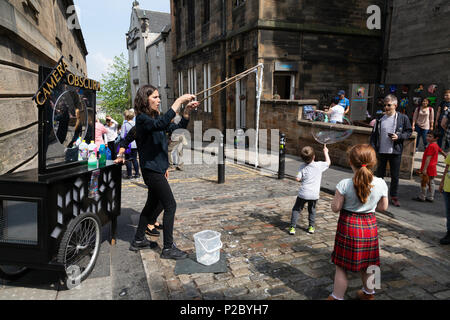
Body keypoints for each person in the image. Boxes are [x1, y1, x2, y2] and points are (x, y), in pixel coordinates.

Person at [115, 85, 199, 259]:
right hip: (151, 170)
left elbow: (174, 129)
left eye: (159, 97)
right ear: (145, 100)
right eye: (155, 97)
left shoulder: (156, 118)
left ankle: (138, 239)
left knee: (155, 204)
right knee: (170, 205)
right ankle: (168, 248)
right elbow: (158, 125)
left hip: (157, 169)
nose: (159, 100)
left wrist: (186, 113)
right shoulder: (143, 120)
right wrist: (178, 101)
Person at [327, 144, 388, 300]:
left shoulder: (344, 184)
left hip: (348, 226)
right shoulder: (381, 183)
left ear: (350, 162)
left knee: (341, 266)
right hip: (369, 226)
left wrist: (336, 201)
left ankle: (337, 296)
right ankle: (369, 294)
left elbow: (335, 208)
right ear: (373, 163)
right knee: (370, 264)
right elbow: (383, 208)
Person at [370, 94, 412, 207]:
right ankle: (378, 196)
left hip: (395, 151)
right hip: (381, 151)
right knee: (379, 175)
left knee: (395, 176)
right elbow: (373, 135)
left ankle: (393, 196)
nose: (386, 107)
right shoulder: (379, 118)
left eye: (389, 105)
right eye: (385, 105)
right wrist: (373, 149)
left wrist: (399, 137)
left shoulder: (403, 118)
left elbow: (409, 132)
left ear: (395, 105)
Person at [289, 144, 330, 235]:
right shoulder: (319, 165)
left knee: (296, 209)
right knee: (312, 210)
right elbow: (328, 162)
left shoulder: (302, 166)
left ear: (302, 158)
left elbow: (297, 178)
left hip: (303, 193)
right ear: (314, 157)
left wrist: (301, 177)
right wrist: (326, 152)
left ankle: (292, 227)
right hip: (314, 194)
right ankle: (311, 227)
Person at [413, 132, 446, 202]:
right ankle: (431, 197)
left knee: (424, 182)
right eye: (427, 136)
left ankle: (422, 196)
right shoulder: (435, 145)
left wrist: (424, 169)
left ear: (436, 138)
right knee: (431, 182)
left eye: (430, 136)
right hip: (432, 167)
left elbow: (428, 158)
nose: (427, 138)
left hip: (428, 167)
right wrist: (444, 155)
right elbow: (440, 150)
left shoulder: (431, 146)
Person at [122, 110, 140, 179]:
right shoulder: (136, 124)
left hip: (128, 145)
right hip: (135, 144)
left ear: (126, 117)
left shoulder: (125, 125)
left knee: (128, 159)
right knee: (135, 159)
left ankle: (129, 175)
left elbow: (122, 136)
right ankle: (137, 174)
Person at [438, 152, 450, 245]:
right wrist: (441, 182)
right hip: (447, 187)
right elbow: (446, 167)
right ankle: (449, 233)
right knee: (448, 212)